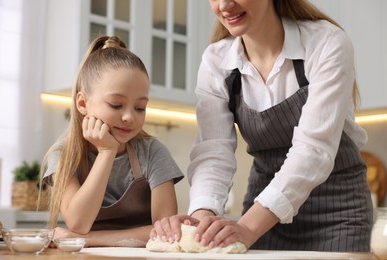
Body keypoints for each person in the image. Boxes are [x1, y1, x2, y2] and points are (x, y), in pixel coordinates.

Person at [150, 0, 373, 252]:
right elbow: (213, 153)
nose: (224, 5)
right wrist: (201, 221)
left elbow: (314, 150)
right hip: (262, 215)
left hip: (337, 214)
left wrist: (248, 228)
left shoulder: (325, 43)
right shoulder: (216, 63)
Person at [41, 35, 184, 247]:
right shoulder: (64, 156)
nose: (129, 117)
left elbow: (166, 233)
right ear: (82, 103)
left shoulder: (153, 152)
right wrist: (107, 151)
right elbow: (78, 223)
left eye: (140, 108)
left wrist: (87, 240)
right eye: (116, 105)